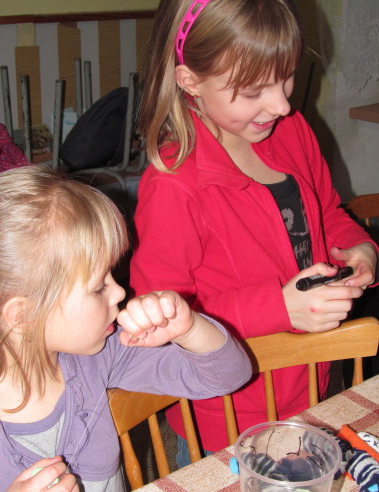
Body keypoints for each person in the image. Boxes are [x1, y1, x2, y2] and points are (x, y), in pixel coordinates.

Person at [0, 166, 252, 492]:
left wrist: (188, 328)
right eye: (99, 287)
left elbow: (229, 375)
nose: (120, 292)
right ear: (23, 316)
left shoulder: (97, 355)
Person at [130, 0, 378, 466]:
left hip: (313, 382)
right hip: (228, 416)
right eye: (252, 91)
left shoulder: (292, 130)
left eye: (286, 77)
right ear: (191, 81)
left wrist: (360, 247)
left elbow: (327, 213)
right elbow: (161, 321)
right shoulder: (173, 186)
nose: (281, 104)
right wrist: (279, 307)